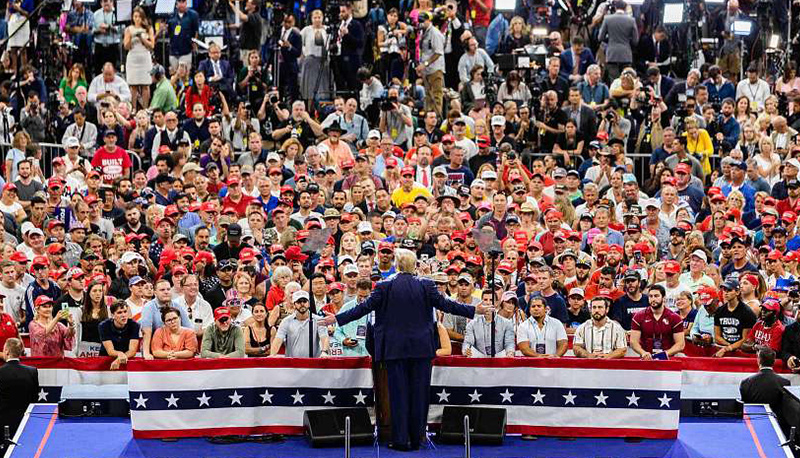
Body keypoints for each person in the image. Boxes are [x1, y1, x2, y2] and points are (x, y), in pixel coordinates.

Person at [320, 249, 488, 451]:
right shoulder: (426, 285)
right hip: (422, 350)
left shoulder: (384, 286)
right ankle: (418, 438)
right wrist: (473, 310)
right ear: (414, 265)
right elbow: (446, 304)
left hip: (394, 350)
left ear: (397, 266)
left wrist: (337, 318)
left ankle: (400, 440)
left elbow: (363, 308)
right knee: (420, 395)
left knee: (398, 395)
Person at [630, 284, 685, 360]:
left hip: (668, 359)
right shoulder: (638, 317)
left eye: (656, 296)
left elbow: (680, 344)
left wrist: (665, 354)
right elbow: (633, 342)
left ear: (664, 298)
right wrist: (643, 353)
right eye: (651, 296)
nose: (653, 299)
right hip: (646, 359)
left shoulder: (675, 318)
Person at [271, 290, 330, 357]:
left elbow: (324, 337)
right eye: (299, 302)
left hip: (313, 364)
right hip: (292, 364)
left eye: (304, 301)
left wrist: (324, 352)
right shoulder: (286, 321)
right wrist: (272, 355)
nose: (302, 304)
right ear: (294, 304)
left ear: (309, 303)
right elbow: (278, 339)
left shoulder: (319, 320)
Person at [0, 338, 39, 438]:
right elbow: (35, 398)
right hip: (27, 422)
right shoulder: (32, 371)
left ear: (7, 351)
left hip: (3, 423)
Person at [739, 347, 790, 419]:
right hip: (777, 421)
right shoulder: (784, 383)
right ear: (774, 361)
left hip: (753, 420)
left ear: (759, 360)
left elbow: (745, 407)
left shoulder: (746, 383)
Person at [98, 301, 140, 370]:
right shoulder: (104, 326)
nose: (123, 315)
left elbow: (132, 351)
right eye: (119, 312)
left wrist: (119, 359)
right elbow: (110, 351)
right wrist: (120, 354)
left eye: (125, 311)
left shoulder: (134, 325)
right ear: (112, 315)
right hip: (106, 361)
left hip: (126, 361)